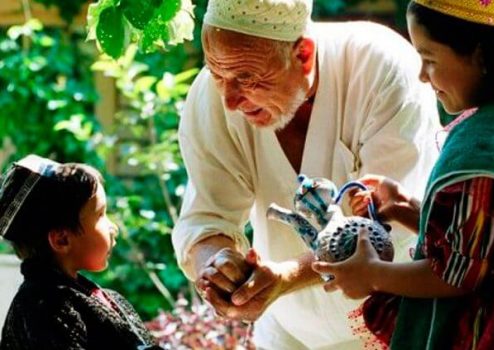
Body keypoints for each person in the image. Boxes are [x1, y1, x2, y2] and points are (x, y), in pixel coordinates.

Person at [171, 0, 441, 348]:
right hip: (288, 331)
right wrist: (219, 267)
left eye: (248, 78)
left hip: (395, 321)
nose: (230, 100)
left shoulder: (381, 66)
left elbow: (388, 228)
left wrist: (289, 276)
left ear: (303, 54)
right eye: (217, 74)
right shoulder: (213, 92)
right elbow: (206, 217)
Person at [312, 0, 494, 349]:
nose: (422, 75)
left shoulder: (487, 146)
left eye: (430, 59)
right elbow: (490, 237)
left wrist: (372, 275)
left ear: (481, 55)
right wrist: (406, 206)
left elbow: (456, 275)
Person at [0, 155, 160, 350]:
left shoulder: (105, 299)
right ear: (62, 239)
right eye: (101, 215)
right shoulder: (43, 308)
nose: (113, 227)